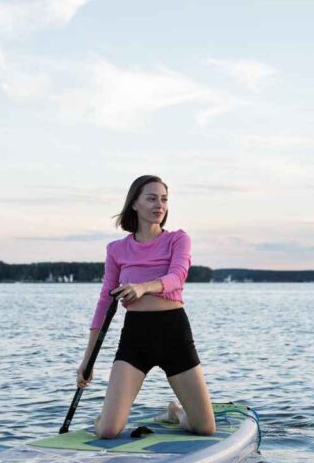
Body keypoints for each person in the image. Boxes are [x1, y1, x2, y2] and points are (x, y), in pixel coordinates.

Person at [76, 175, 216, 439]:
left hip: (174, 333)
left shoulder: (178, 239)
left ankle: (176, 412)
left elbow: (177, 277)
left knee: (205, 428)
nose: (159, 205)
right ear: (134, 204)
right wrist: (87, 360)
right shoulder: (116, 249)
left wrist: (142, 287)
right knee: (107, 431)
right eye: (151, 198)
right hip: (136, 337)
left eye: (164, 199)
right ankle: (106, 416)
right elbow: (105, 301)